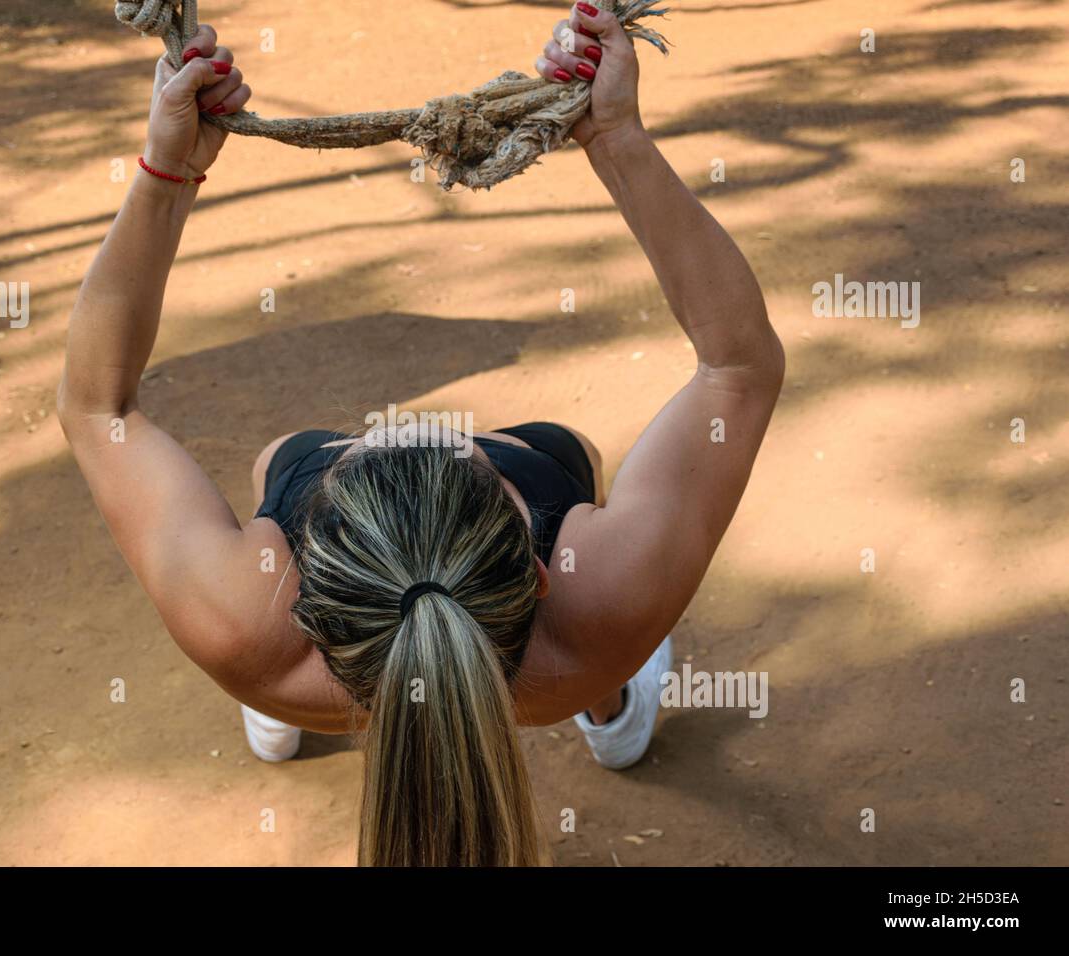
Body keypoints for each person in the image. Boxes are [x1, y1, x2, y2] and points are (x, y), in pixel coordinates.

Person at [57, 2, 784, 866]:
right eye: (460, 449)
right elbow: (738, 367)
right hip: (557, 672)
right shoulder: (602, 610)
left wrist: (166, 168)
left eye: (369, 445)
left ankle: (281, 709)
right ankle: (612, 714)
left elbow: (98, 408)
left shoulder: (242, 620)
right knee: (566, 456)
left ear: (305, 581)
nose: (409, 426)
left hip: (288, 658)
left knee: (280, 469)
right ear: (544, 574)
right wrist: (613, 134)